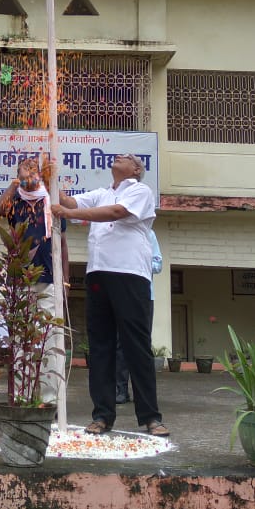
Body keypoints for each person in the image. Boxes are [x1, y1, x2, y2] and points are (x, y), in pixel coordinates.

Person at [53, 153, 169, 437]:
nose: (119, 157)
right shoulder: (102, 192)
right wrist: (50, 176)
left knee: (135, 346)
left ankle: (151, 417)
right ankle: (102, 415)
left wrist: (70, 215)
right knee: (101, 346)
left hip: (130, 274)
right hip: (98, 273)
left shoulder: (140, 191)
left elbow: (115, 213)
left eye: (127, 157)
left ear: (136, 169)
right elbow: (69, 202)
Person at [0, 157, 69, 405]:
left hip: (49, 279)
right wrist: (15, 183)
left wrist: (65, 281)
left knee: (50, 339)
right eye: (24, 170)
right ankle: (22, 395)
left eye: (33, 169)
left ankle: (50, 399)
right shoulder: (14, 200)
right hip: (20, 280)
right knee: (20, 341)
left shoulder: (51, 200)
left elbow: (63, 242)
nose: (29, 172)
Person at [116, 227, 162, 404]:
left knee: (142, 344)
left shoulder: (149, 234)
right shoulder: (120, 235)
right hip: (122, 295)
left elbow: (158, 264)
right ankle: (121, 390)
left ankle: (142, 393)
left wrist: (138, 263)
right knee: (120, 344)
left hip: (144, 296)